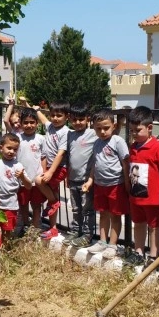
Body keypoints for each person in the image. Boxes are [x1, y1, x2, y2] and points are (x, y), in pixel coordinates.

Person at [127, 106, 159, 266]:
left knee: (155, 227)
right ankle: (138, 251)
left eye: (137, 130)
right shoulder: (133, 147)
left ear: (149, 128)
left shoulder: (158, 147)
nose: (133, 133)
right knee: (138, 224)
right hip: (136, 197)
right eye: (131, 130)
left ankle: (154, 256)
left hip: (154, 198)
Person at [83, 108, 130, 259]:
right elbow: (95, 164)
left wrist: (127, 183)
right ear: (94, 128)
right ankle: (102, 241)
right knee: (103, 213)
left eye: (106, 128)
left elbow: (125, 163)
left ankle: (113, 244)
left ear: (114, 126)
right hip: (100, 185)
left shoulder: (118, 141)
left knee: (115, 215)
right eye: (98, 128)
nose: (102, 131)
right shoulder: (96, 143)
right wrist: (90, 180)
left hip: (116, 184)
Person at [33, 101, 70, 240]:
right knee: (52, 193)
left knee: (39, 180)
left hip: (58, 168)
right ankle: (53, 228)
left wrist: (49, 172)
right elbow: (43, 119)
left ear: (66, 117)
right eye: (53, 115)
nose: (55, 118)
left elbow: (61, 153)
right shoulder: (50, 127)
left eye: (59, 115)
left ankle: (54, 201)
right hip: (49, 167)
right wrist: (35, 108)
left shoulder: (65, 132)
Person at [63, 104, 97, 248]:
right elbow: (68, 156)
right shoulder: (70, 134)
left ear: (88, 119)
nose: (78, 123)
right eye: (75, 120)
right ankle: (76, 230)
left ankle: (88, 235)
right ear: (70, 119)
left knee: (87, 208)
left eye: (81, 119)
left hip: (85, 180)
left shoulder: (93, 133)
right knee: (76, 208)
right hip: (73, 178)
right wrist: (67, 176)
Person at [0, 133, 31, 242]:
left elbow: (28, 186)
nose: (11, 152)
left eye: (15, 149)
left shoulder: (18, 166)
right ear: (1, 148)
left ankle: (5, 249)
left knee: (7, 230)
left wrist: (22, 177)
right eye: (9, 148)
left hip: (10, 204)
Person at [16, 107, 46, 230]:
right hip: (22, 180)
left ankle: (35, 225)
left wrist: (43, 173)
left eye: (32, 122)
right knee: (23, 203)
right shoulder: (17, 138)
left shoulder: (40, 139)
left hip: (36, 179)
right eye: (26, 122)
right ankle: (25, 224)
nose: (29, 125)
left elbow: (43, 157)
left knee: (36, 204)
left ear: (37, 124)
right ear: (21, 124)